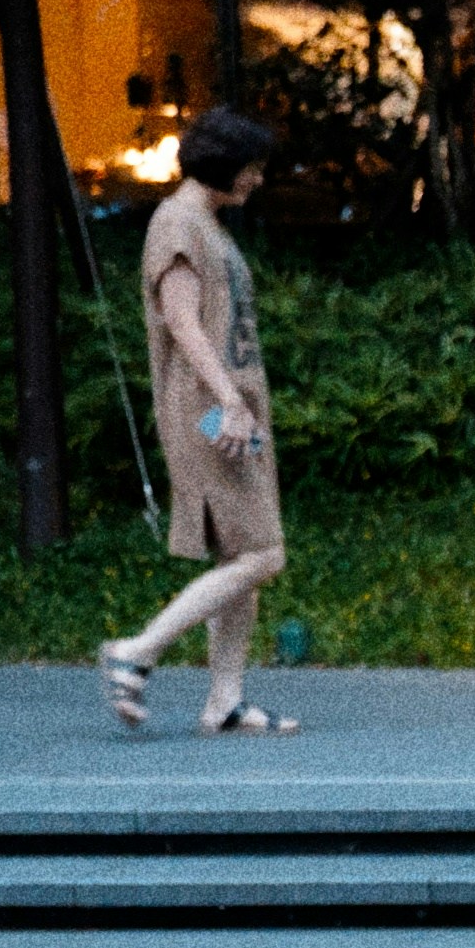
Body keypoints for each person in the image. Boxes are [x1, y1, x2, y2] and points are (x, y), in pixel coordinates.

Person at [99, 106, 297, 733]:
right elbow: (181, 324)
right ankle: (136, 653)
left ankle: (225, 701)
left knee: (244, 555)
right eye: (253, 169)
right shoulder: (178, 224)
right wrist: (230, 402)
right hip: (209, 415)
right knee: (261, 554)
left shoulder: (206, 223)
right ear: (226, 167)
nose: (258, 181)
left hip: (231, 411)